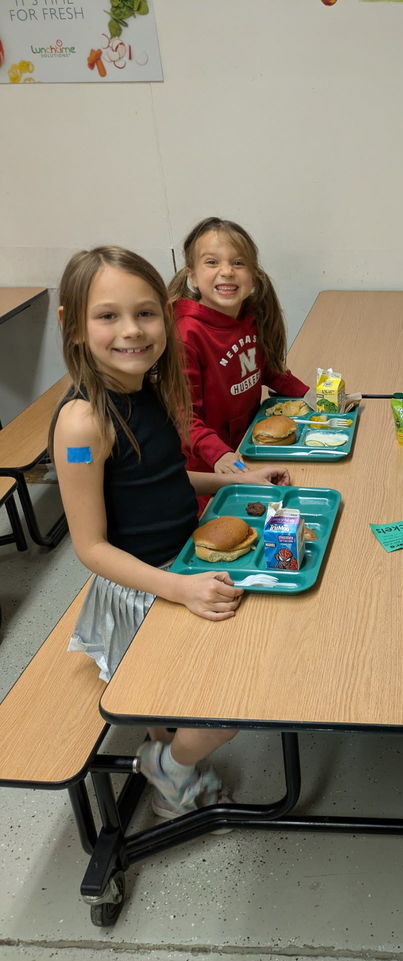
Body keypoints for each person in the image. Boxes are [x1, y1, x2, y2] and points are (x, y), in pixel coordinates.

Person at [51, 246, 291, 822]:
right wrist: (177, 589)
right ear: (74, 326)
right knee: (228, 711)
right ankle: (170, 768)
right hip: (146, 589)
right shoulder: (84, 422)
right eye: (108, 316)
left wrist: (239, 479)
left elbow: (159, 477)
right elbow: (91, 548)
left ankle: (165, 748)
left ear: (166, 311)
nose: (132, 331)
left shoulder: (148, 387)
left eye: (145, 313)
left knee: (186, 707)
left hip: (182, 564)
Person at [168, 216, 309, 493]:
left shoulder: (249, 316)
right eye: (212, 262)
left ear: (254, 274)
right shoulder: (186, 334)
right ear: (192, 276)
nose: (227, 271)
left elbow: (265, 369)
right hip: (206, 467)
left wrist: (307, 394)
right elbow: (184, 416)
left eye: (238, 262)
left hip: (247, 447)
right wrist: (219, 454)